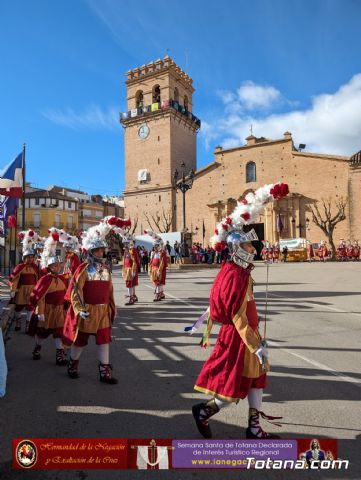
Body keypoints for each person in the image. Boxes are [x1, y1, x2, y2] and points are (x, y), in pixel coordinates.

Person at [191, 182, 288, 439]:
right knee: (232, 387)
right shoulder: (236, 275)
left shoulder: (241, 271)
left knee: (257, 379)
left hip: (249, 333)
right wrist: (255, 344)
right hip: (240, 338)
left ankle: (254, 427)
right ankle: (205, 411)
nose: (253, 250)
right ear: (236, 249)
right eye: (247, 247)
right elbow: (236, 314)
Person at [62, 217, 123, 384]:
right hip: (87, 311)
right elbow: (76, 290)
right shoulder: (83, 269)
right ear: (90, 251)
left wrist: (112, 307)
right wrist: (79, 308)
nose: (100, 253)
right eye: (96, 251)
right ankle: (73, 365)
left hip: (103, 312)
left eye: (101, 250)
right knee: (80, 341)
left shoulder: (105, 270)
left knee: (104, 340)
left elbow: (109, 291)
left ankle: (105, 372)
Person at [29, 230, 68, 365]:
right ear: (50, 267)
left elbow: (66, 295)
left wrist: (65, 308)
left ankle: (60, 355)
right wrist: (40, 313)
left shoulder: (62, 279)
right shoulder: (45, 280)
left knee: (58, 332)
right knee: (42, 333)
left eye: (58, 265)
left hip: (58, 311)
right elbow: (40, 297)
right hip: (47, 311)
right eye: (55, 266)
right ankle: (37, 348)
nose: (58, 267)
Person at [9, 230, 40, 332]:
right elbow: (15, 278)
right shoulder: (20, 267)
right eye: (28, 257)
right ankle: (18, 323)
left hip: (32, 290)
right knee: (18, 307)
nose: (30, 259)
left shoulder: (35, 267)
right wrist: (13, 289)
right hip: (21, 290)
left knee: (30, 308)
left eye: (32, 257)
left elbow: (38, 279)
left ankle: (27, 326)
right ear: (24, 258)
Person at [145, 230, 168, 302]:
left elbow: (162, 262)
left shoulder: (161, 253)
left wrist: (159, 271)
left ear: (159, 246)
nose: (155, 247)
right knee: (157, 282)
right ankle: (161, 293)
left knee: (158, 282)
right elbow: (151, 262)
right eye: (154, 246)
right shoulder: (153, 253)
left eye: (156, 246)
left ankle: (158, 294)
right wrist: (150, 269)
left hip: (159, 270)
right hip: (154, 269)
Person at [121, 234, 141, 305]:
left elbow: (136, 260)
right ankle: (133, 296)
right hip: (126, 269)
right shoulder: (126, 251)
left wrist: (134, 270)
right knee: (130, 284)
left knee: (130, 284)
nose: (125, 245)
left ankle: (131, 298)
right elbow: (124, 261)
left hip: (131, 269)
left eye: (126, 243)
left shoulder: (133, 250)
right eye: (125, 243)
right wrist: (123, 270)